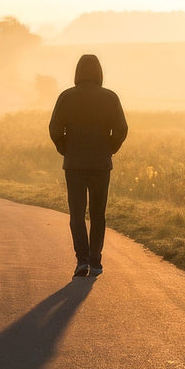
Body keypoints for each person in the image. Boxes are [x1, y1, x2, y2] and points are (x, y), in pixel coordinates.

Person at [48, 53, 128, 278]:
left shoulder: (66, 97)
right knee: (98, 214)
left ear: (78, 72)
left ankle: (81, 261)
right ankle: (96, 261)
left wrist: (66, 149)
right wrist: (109, 148)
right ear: (99, 72)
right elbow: (121, 129)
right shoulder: (110, 97)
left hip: (74, 164)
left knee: (76, 214)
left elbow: (54, 129)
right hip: (101, 164)